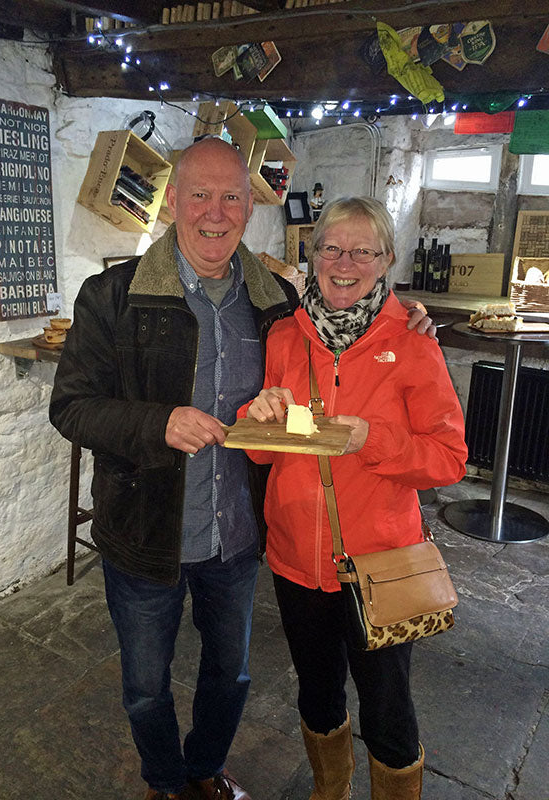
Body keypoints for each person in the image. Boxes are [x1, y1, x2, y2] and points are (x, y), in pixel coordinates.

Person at [49, 139, 438, 800]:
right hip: (146, 533)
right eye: (199, 194)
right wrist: (156, 423)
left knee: (229, 676)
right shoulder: (112, 297)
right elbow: (72, 407)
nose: (216, 211)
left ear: (248, 209)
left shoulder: (277, 305)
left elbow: (340, 332)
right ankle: (165, 782)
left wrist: (408, 319)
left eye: (232, 196)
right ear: (173, 201)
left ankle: (204, 768)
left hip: (238, 535)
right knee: (146, 684)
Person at [240, 197, 468, 800]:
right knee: (316, 697)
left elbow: (448, 458)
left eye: (363, 250)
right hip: (295, 559)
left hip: (380, 563)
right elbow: (264, 450)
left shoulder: (414, 344)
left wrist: (374, 440)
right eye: (331, 248)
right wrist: (256, 413)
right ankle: (330, 790)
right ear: (310, 257)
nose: (346, 263)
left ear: (386, 259)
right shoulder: (286, 336)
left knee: (388, 713)